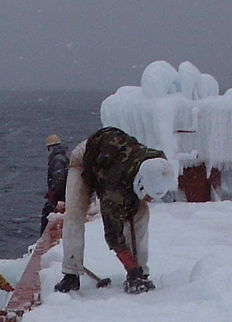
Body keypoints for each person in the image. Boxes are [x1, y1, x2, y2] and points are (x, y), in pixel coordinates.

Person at [54, 126, 177, 294]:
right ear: (141, 184)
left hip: (112, 159)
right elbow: (113, 235)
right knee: (75, 214)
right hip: (85, 158)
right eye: (148, 195)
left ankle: (141, 272)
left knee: (141, 214)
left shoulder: (159, 165)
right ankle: (71, 274)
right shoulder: (114, 189)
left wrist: (136, 271)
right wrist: (129, 266)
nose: (150, 199)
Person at [41, 133, 69, 234]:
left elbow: (59, 178)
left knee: (47, 215)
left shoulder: (57, 159)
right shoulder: (62, 157)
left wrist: (53, 193)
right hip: (65, 195)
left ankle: (45, 239)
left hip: (60, 196)